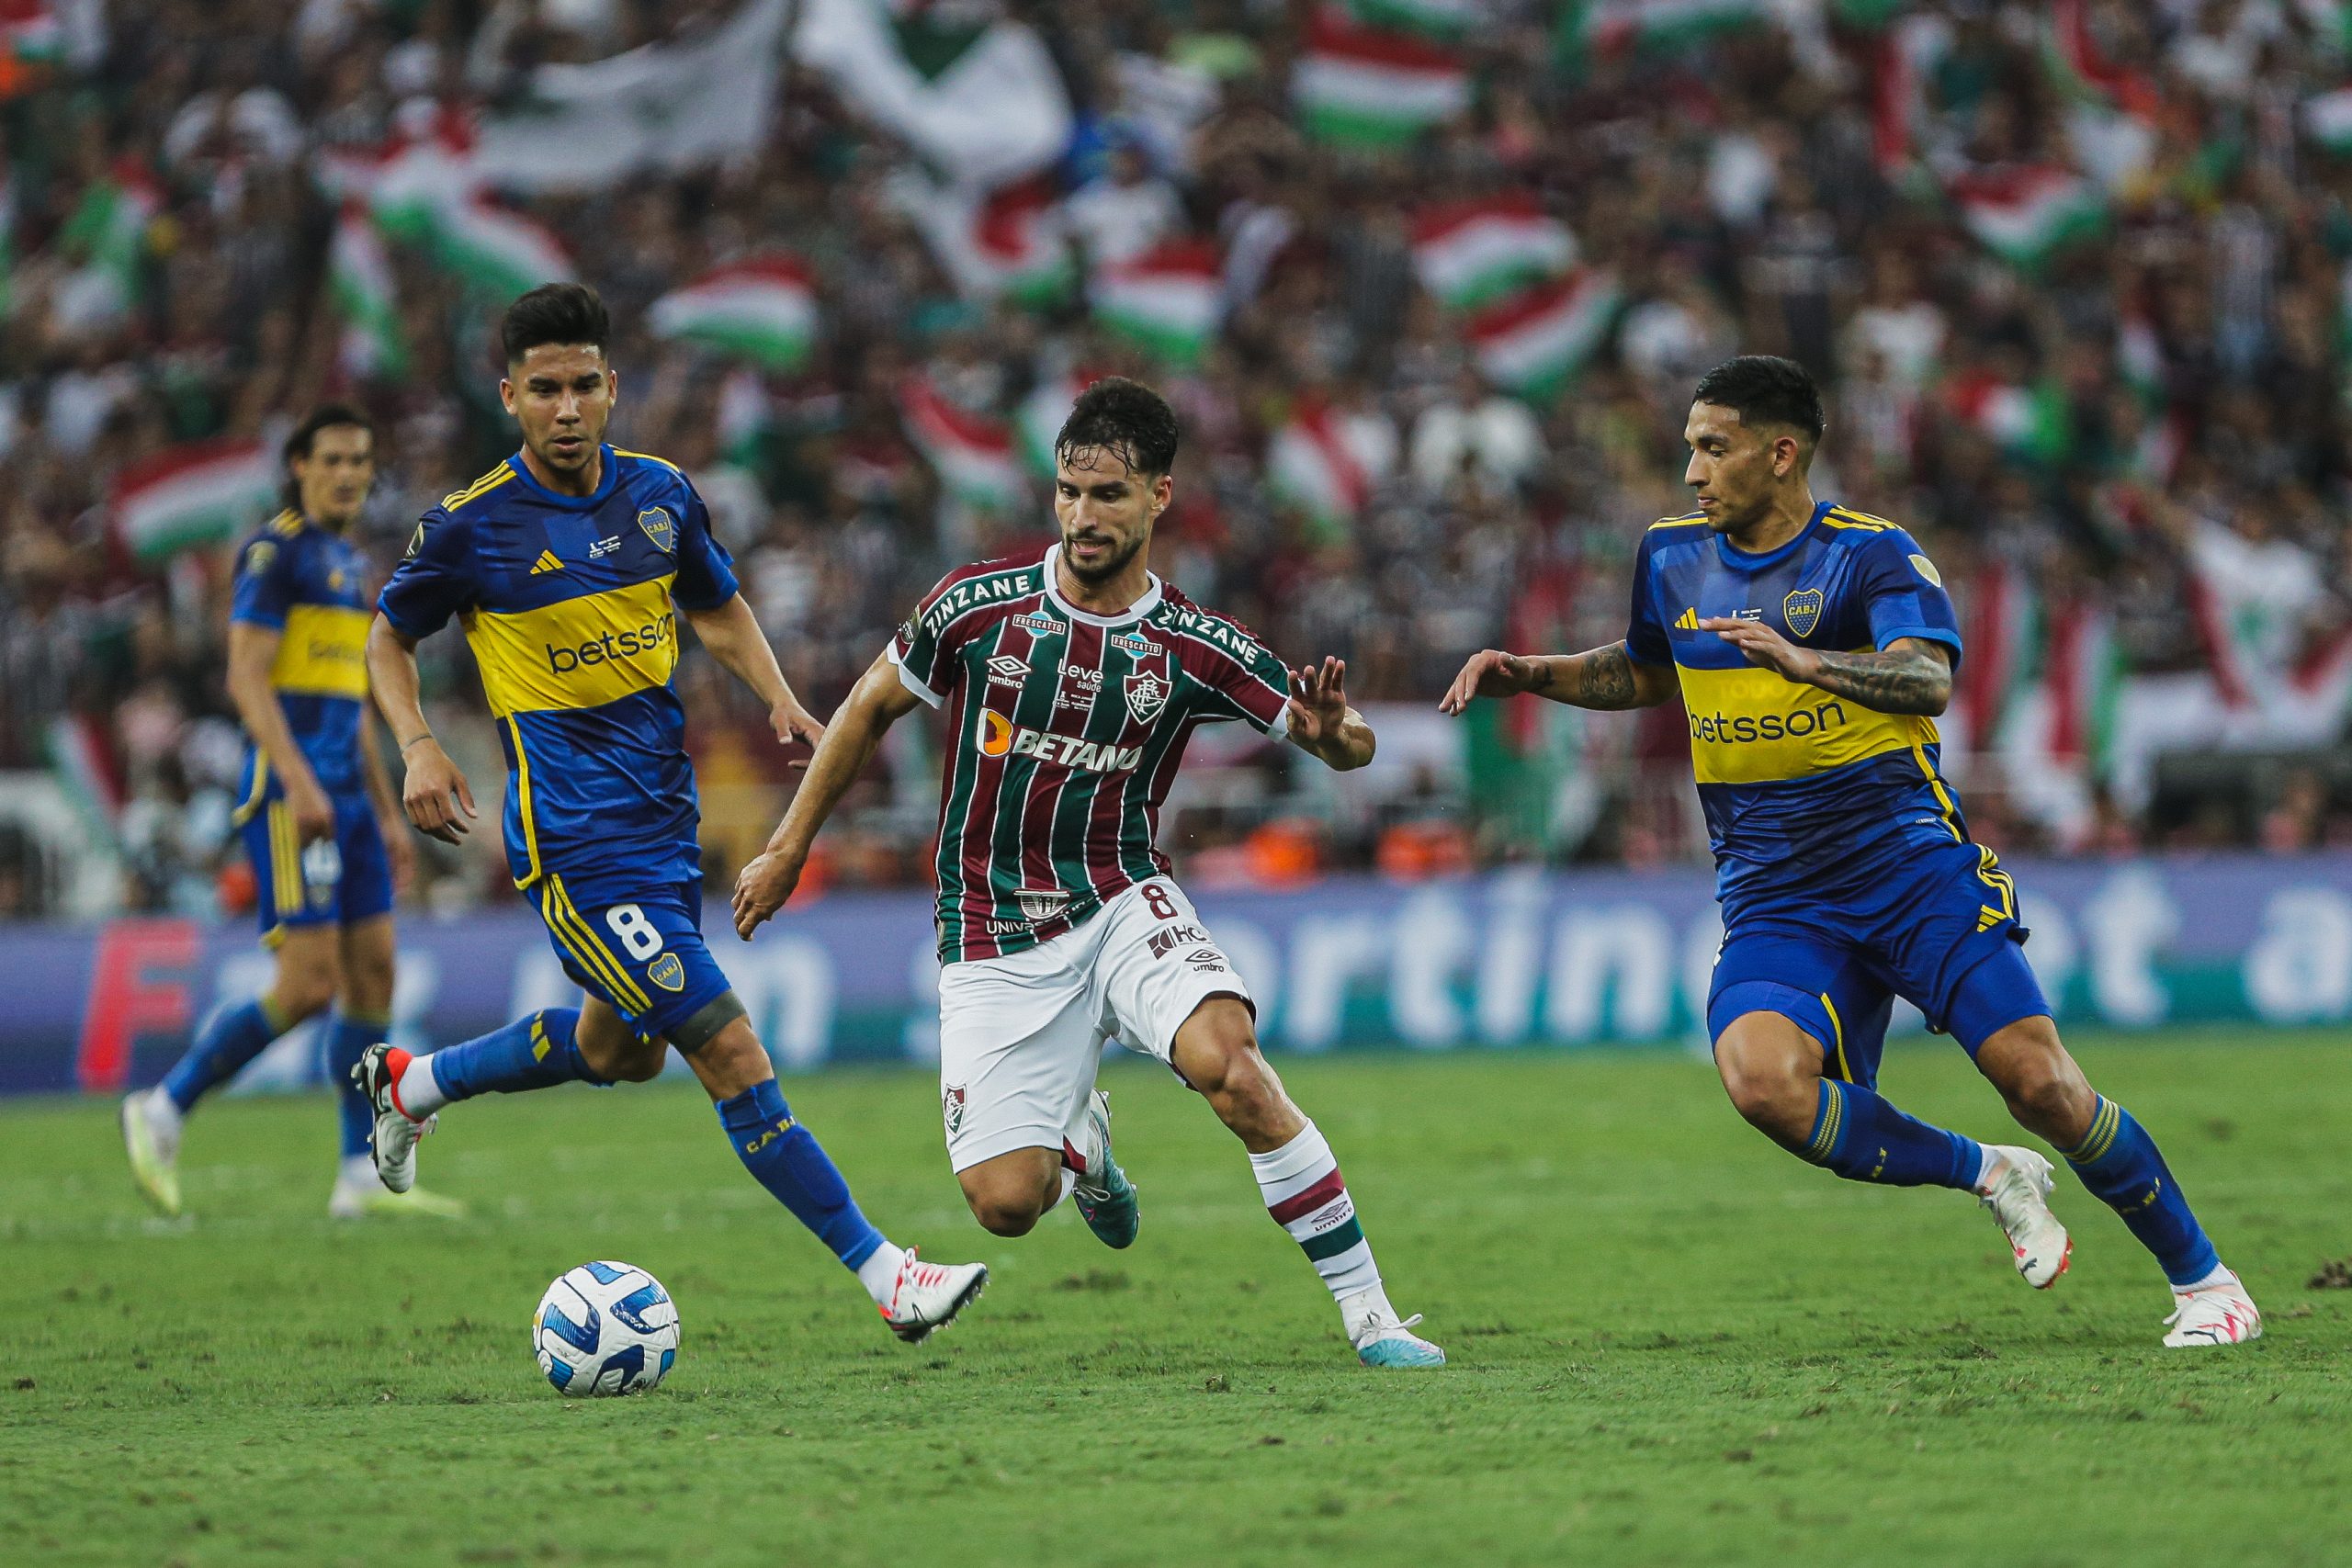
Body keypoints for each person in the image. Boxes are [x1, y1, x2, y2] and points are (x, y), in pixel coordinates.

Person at [1442, 355, 2259, 1348]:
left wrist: (1805, 660)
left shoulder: (1871, 556)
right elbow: (1649, 669)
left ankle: (2207, 1284)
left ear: (1780, 454)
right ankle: (1987, 1172)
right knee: (1762, 1083)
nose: (1692, 473)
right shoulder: (1669, 556)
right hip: (1775, 892)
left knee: (2043, 1085)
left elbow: (1924, 681)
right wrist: (1531, 673)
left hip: (1906, 869)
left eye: (1714, 448)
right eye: (1689, 449)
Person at [731, 377, 1446, 1369]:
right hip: (989, 927)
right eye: (1068, 490)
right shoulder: (976, 608)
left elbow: (1343, 739)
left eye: (1107, 494)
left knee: (1228, 1068)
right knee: (1005, 1207)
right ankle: (1087, 1150)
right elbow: (861, 710)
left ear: (1160, 496)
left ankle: (1374, 1317)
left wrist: (1337, 736)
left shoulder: (1189, 645)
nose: (1081, 515)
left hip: (1119, 898)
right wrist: (785, 846)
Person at [358, 283, 986, 1343]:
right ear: (511, 396)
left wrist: (779, 694)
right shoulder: (470, 528)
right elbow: (386, 638)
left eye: (584, 386)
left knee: (621, 1054)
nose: (566, 408)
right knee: (726, 1049)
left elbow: (717, 606)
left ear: (612, 389)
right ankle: (887, 1275)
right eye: (544, 389)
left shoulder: (660, 497)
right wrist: (418, 743)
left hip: (662, 827)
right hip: (572, 842)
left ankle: (414, 1083)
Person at [121, 405, 458, 1220]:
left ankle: (358, 1175)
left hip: (348, 796)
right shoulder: (272, 554)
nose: (348, 473)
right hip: (290, 796)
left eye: (360, 460)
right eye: (332, 459)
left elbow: (353, 703)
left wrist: (381, 807)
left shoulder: (346, 562)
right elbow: (246, 680)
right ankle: (163, 1107)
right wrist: (300, 782)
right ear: (299, 468)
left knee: (374, 971)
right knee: (309, 984)